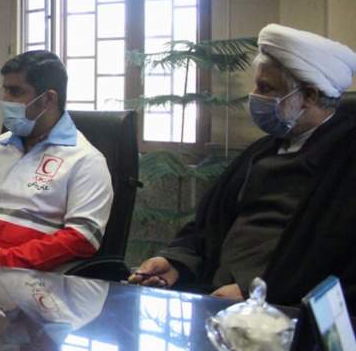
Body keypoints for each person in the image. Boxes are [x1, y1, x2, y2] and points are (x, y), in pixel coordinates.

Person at [130, 24, 356, 306]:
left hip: (279, 312)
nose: (255, 95)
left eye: (266, 88)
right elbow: (207, 226)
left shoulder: (345, 162)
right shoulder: (261, 151)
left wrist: (256, 293)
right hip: (214, 297)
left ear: (309, 96)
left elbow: (333, 265)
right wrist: (176, 262)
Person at [0, 50, 113, 270]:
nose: (5, 100)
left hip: (32, 280)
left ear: (48, 99)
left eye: (15, 92)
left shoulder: (85, 160)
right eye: (4, 90)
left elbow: (83, 237)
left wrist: (6, 258)